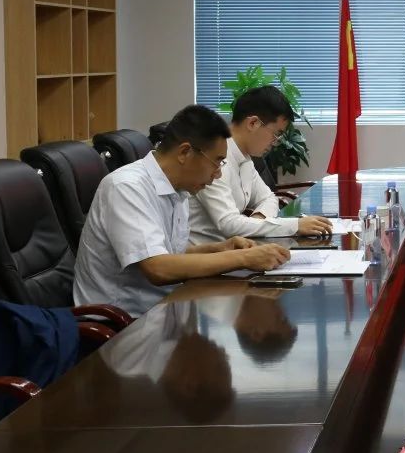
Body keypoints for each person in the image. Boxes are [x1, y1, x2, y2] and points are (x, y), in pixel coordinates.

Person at [74, 104, 292, 317]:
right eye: (217, 162)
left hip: (167, 305)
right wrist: (243, 258)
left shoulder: (178, 188)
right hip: (124, 321)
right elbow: (158, 268)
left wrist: (220, 248)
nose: (218, 174)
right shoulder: (126, 187)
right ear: (185, 152)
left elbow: (170, 253)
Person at [189, 85, 331, 244]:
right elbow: (229, 224)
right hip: (205, 254)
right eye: (276, 134)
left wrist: (257, 220)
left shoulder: (245, 159)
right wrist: (294, 226)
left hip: (233, 250)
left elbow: (270, 198)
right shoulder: (213, 159)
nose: (275, 143)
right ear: (253, 123)